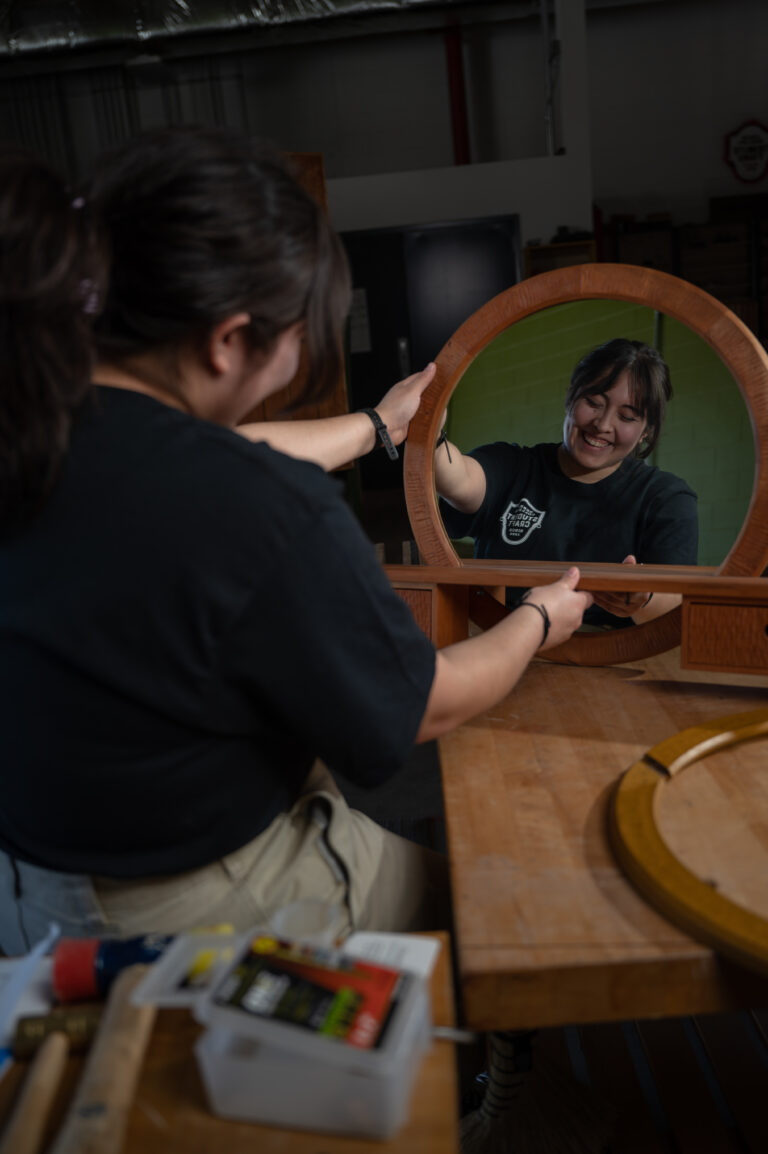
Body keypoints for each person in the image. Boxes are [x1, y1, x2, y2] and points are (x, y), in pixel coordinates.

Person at [0, 129, 590, 956]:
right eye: (296, 340)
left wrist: (380, 425)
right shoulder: (257, 509)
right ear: (231, 339)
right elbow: (427, 701)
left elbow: (227, 461)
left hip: (26, 886)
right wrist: (537, 616)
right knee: (502, 914)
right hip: (178, 905)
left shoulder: (35, 424)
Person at [434, 338, 698, 627]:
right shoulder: (513, 466)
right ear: (571, 396)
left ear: (646, 431)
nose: (603, 424)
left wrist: (643, 599)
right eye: (593, 402)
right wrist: (430, 426)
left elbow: (676, 607)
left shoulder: (666, 498)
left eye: (626, 416)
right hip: (503, 646)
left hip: (618, 663)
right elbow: (458, 480)